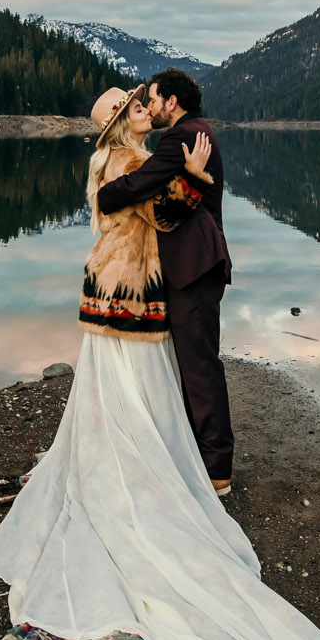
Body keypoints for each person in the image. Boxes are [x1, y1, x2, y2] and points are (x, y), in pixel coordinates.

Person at [0, 83, 320, 640]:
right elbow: (159, 218)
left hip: (105, 295)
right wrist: (189, 175)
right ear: (111, 126)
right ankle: (152, 466)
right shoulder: (124, 162)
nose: (138, 109)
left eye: (139, 103)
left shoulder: (108, 160)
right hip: (128, 302)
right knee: (134, 392)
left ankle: (133, 459)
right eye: (127, 107)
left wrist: (184, 172)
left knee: (110, 394)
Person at [94, 69, 233, 494]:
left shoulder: (180, 137)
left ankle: (216, 470)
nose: (151, 108)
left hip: (194, 266)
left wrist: (103, 196)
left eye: (151, 101)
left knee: (199, 366)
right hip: (193, 266)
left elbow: (142, 188)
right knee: (194, 363)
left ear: (171, 102)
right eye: (142, 105)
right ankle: (200, 455)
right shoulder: (193, 132)